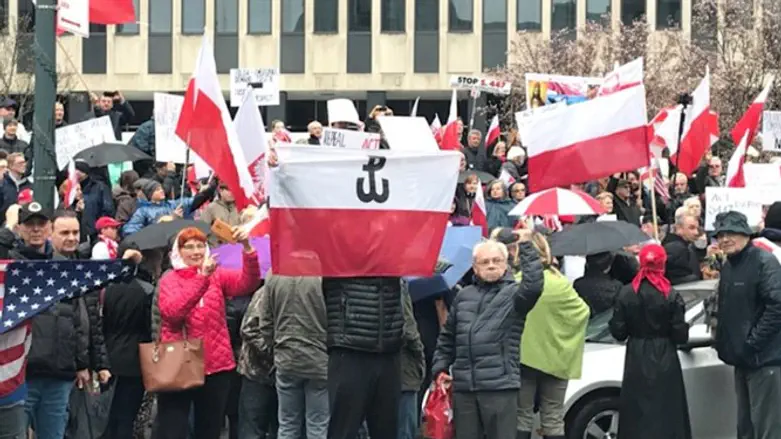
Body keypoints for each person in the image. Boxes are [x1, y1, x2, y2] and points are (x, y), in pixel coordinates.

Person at [431, 232, 544, 439]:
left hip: (499, 387)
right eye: (485, 262)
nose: (491, 265)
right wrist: (440, 368)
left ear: (506, 264)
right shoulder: (463, 296)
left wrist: (526, 246)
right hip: (465, 388)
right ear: (475, 267)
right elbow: (447, 338)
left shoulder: (515, 294)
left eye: (496, 260)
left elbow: (534, 285)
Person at [152, 226, 260, 439]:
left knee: (209, 429)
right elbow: (172, 313)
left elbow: (247, 283)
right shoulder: (169, 280)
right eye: (189, 247)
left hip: (216, 366)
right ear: (178, 252)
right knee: (172, 429)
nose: (196, 252)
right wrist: (201, 279)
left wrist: (248, 249)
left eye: (200, 246)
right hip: (179, 364)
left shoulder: (217, 275)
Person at [608, 243, 691, 439]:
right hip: (665, 354)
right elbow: (680, 334)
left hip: (636, 355)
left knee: (636, 409)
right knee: (667, 409)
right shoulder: (670, 294)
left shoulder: (626, 293)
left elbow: (618, 332)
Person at [712, 211, 781, 439]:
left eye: (731, 233)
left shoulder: (764, 262)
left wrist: (751, 343)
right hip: (742, 359)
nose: (725, 239)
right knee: (746, 427)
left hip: (765, 360)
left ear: (745, 234)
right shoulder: (729, 266)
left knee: (767, 429)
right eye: (720, 235)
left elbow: (777, 307)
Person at [517, 234, 589, 439]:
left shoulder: (517, 282)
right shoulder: (560, 282)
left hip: (524, 357)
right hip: (557, 358)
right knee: (553, 418)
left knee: (522, 416)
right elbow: (583, 312)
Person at [258, 272, 329, 439]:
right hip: (319, 358)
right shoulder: (324, 273)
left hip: (286, 356)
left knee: (287, 424)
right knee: (318, 425)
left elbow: (265, 322)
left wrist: (275, 346)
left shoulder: (274, 273)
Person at [662, 211, 702, 285]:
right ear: (679, 228)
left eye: (697, 228)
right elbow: (677, 281)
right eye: (691, 228)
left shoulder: (678, 246)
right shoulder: (677, 249)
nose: (696, 232)